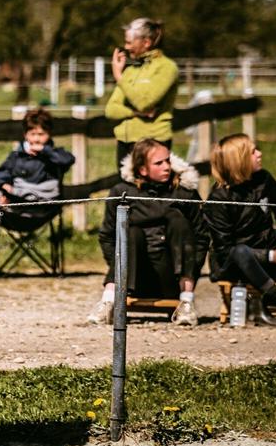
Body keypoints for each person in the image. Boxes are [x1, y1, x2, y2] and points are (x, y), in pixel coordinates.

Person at [87, 138, 207, 326]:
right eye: (159, 163)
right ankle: (108, 300)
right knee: (132, 232)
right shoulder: (123, 193)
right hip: (134, 278)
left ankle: (186, 302)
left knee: (179, 222)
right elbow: (107, 237)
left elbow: (201, 238)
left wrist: (192, 270)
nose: (167, 166)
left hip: (173, 278)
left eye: (168, 160)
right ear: (142, 169)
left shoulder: (184, 193)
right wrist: (121, 269)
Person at [0, 107, 74, 284]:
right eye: (32, 134)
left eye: (41, 134)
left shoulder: (55, 156)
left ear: (49, 134)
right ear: (26, 135)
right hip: (12, 210)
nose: (36, 139)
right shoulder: (17, 156)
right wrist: (5, 187)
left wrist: (45, 151)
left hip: (42, 210)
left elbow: (68, 160)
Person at [205, 134, 276, 327]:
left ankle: (266, 300)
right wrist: (271, 256)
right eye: (253, 152)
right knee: (240, 251)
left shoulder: (263, 179)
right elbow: (224, 249)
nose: (260, 154)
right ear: (240, 160)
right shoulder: (219, 198)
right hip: (236, 267)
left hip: (272, 257)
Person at [104, 18, 177, 169]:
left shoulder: (166, 68)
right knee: (126, 190)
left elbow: (144, 103)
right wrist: (135, 113)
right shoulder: (130, 72)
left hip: (154, 143)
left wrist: (118, 76)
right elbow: (111, 110)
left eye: (130, 43)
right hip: (125, 144)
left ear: (146, 43)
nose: (126, 47)